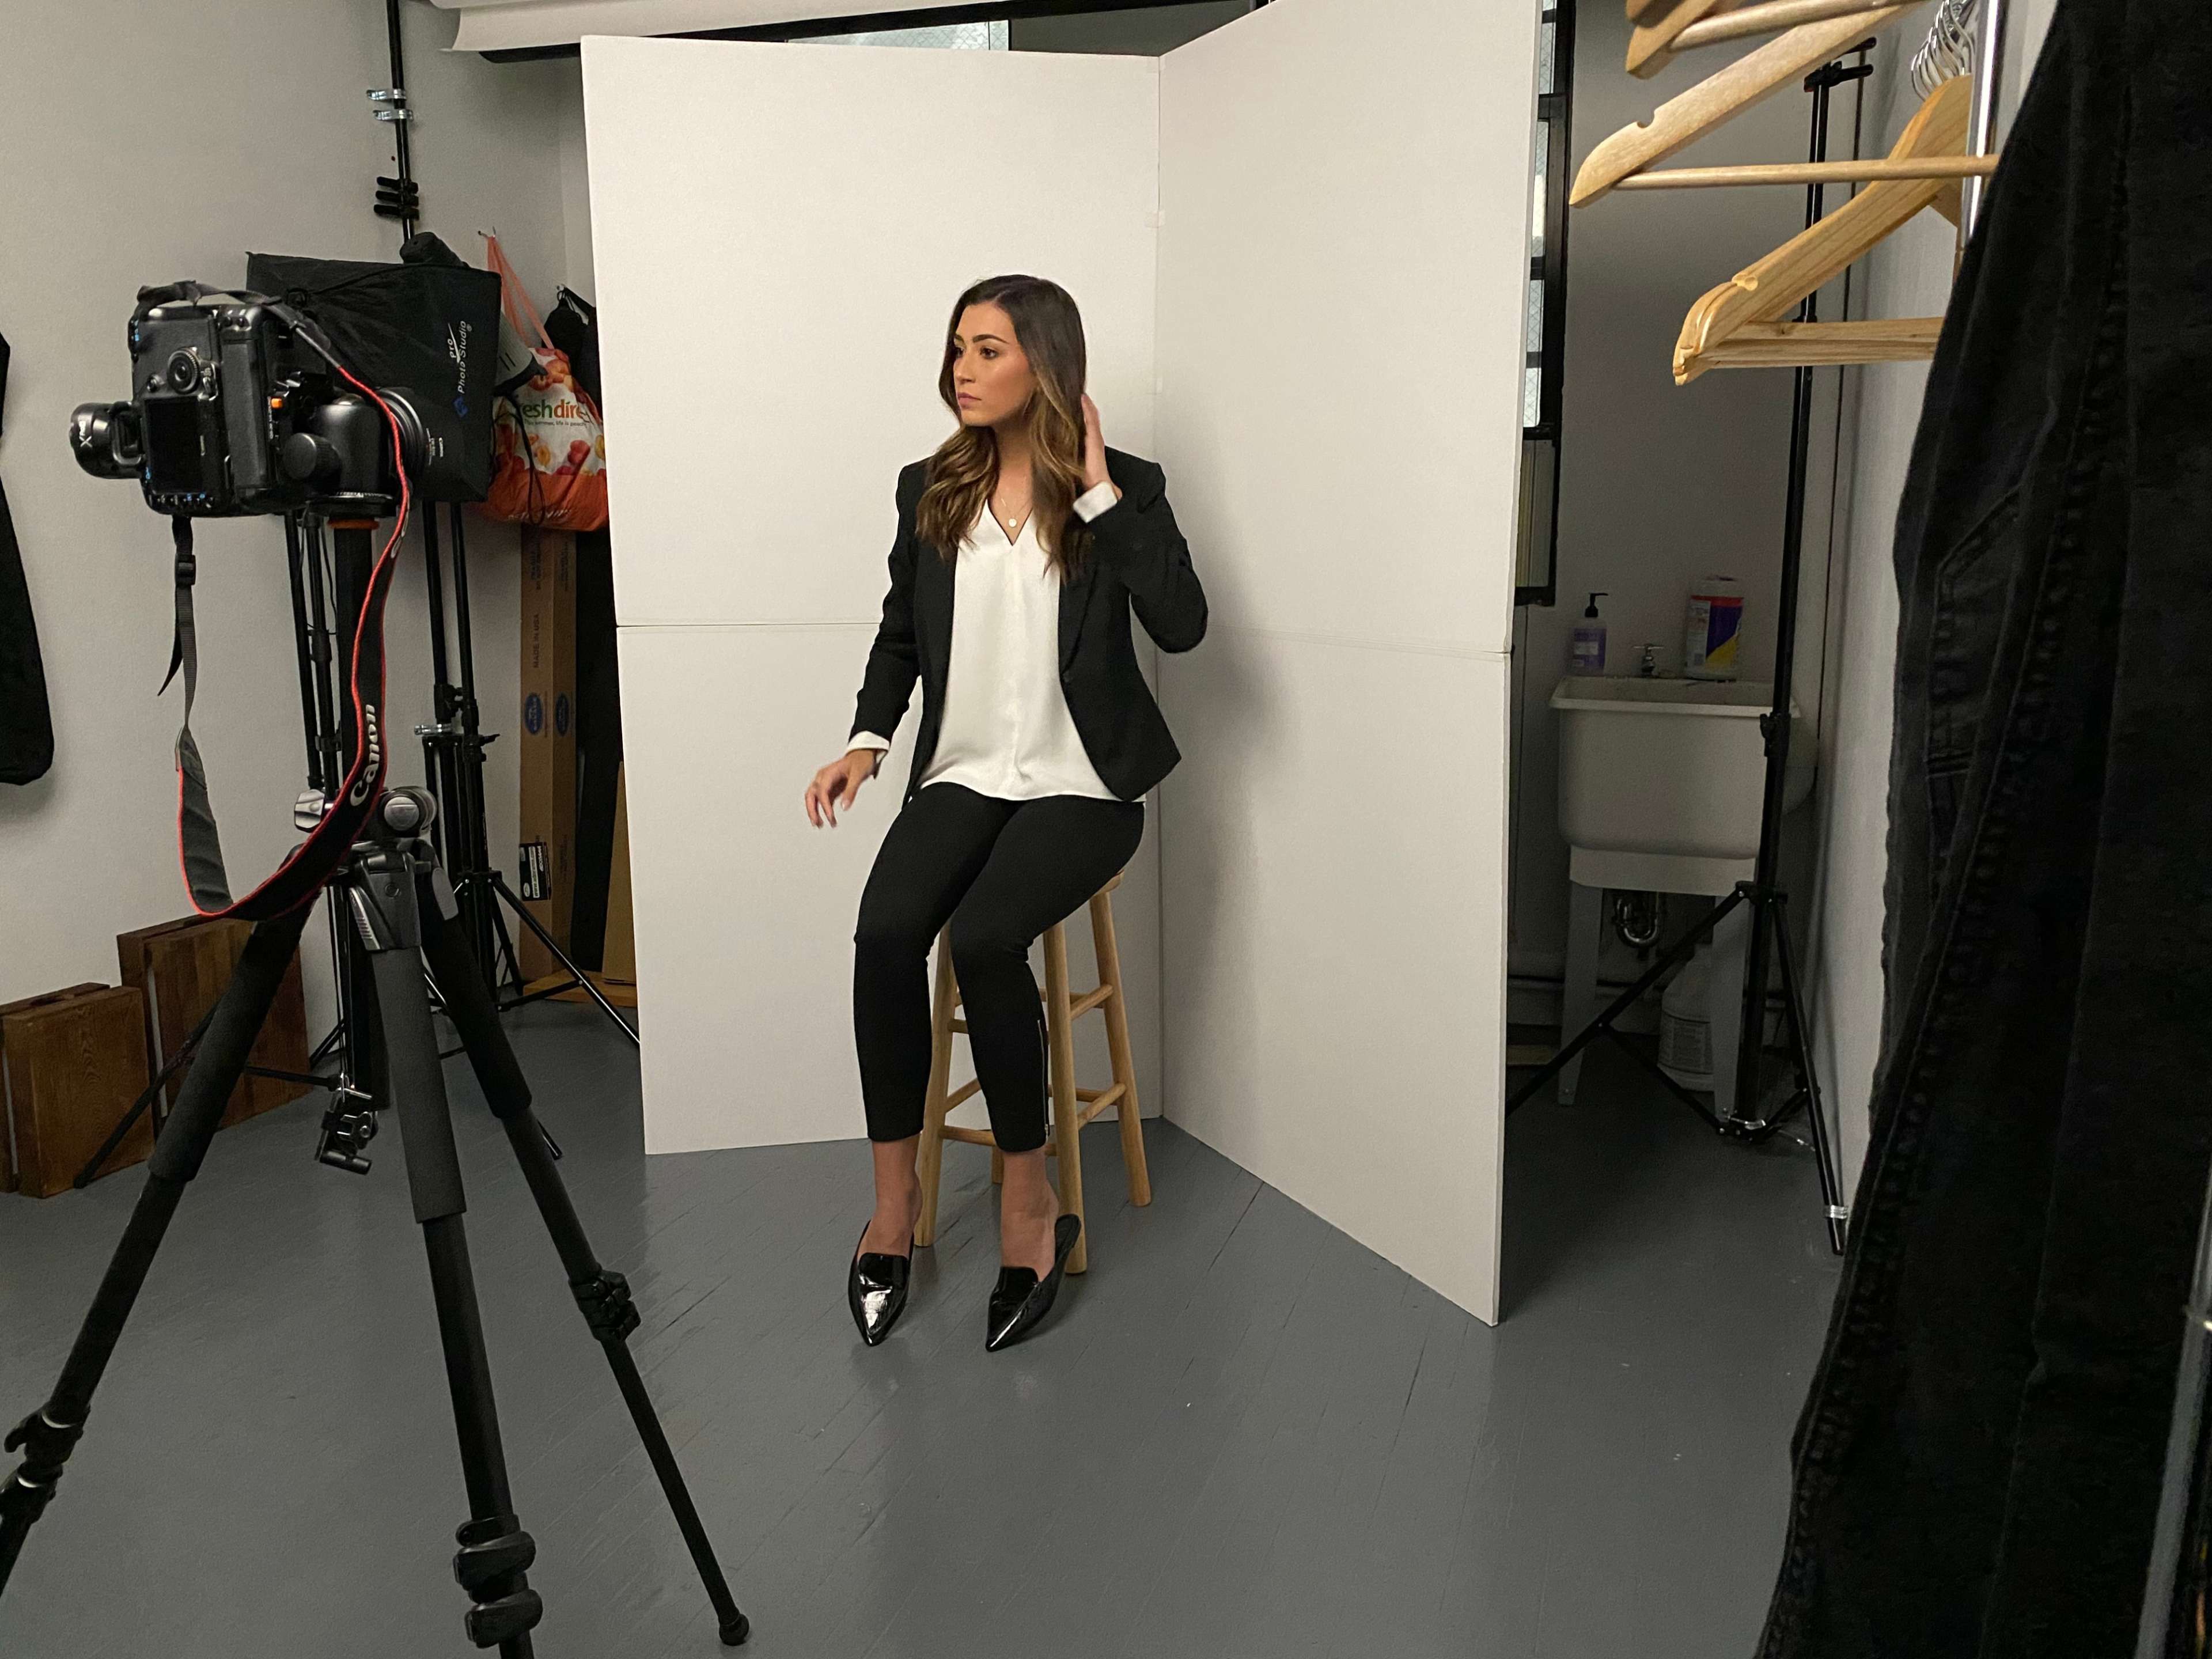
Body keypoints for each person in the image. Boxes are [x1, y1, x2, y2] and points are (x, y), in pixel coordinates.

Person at [802, 274, 1207, 1352]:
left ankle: (1030, 1211)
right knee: (886, 935)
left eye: (986, 350)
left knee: (984, 940)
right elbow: (901, 631)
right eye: (957, 351)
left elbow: (1185, 625)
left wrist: (1104, 495)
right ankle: (893, 1209)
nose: (962, 372)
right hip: (966, 774)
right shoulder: (926, 487)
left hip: (1082, 786)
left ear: (1045, 361)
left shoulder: (1124, 487)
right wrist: (866, 741)